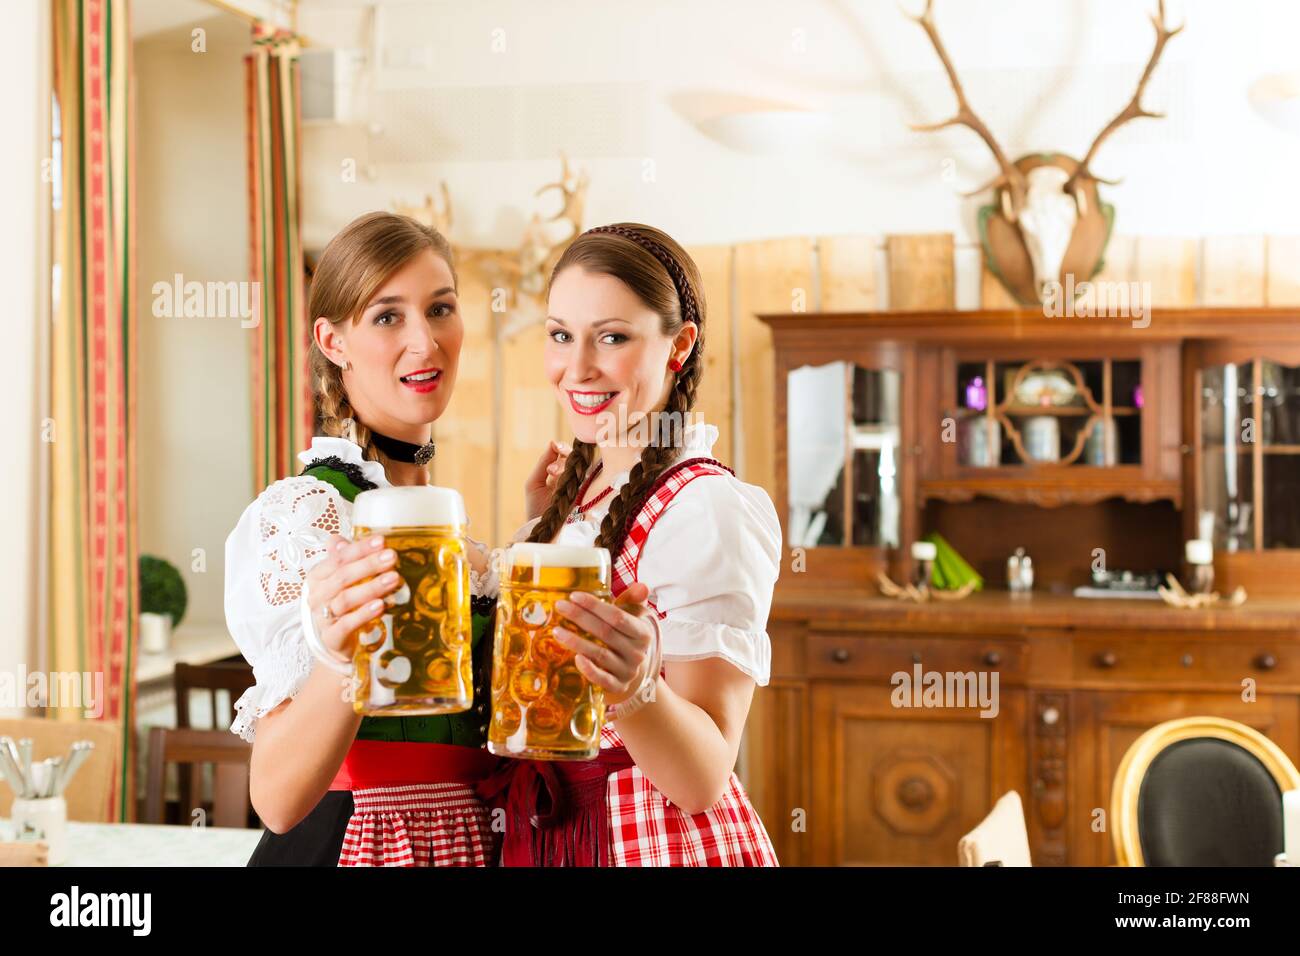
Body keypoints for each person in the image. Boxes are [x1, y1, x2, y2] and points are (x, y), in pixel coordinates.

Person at [479, 223, 781, 865]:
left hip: (639, 841)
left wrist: (639, 690)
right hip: (543, 829)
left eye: (612, 337)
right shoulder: (573, 499)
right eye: (561, 335)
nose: (577, 367)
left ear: (680, 346)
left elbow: (704, 779)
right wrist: (537, 533)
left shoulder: (705, 511)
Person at [224, 211, 500, 865]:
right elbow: (279, 798)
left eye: (440, 309)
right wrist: (337, 653)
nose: (424, 342)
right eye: (387, 317)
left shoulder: (453, 533)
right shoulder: (307, 515)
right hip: (354, 846)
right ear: (333, 340)